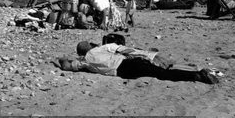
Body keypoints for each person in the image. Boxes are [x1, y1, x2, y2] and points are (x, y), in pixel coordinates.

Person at [58, 41, 218, 84]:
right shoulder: (104, 47)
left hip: (124, 70)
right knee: (162, 72)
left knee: (162, 74)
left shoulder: (85, 62)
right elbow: (127, 50)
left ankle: (195, 74)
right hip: (129, 63)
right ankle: (194, 72)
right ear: (91, 45)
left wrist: (57, 61)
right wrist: (149, 54)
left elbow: (67, 66)